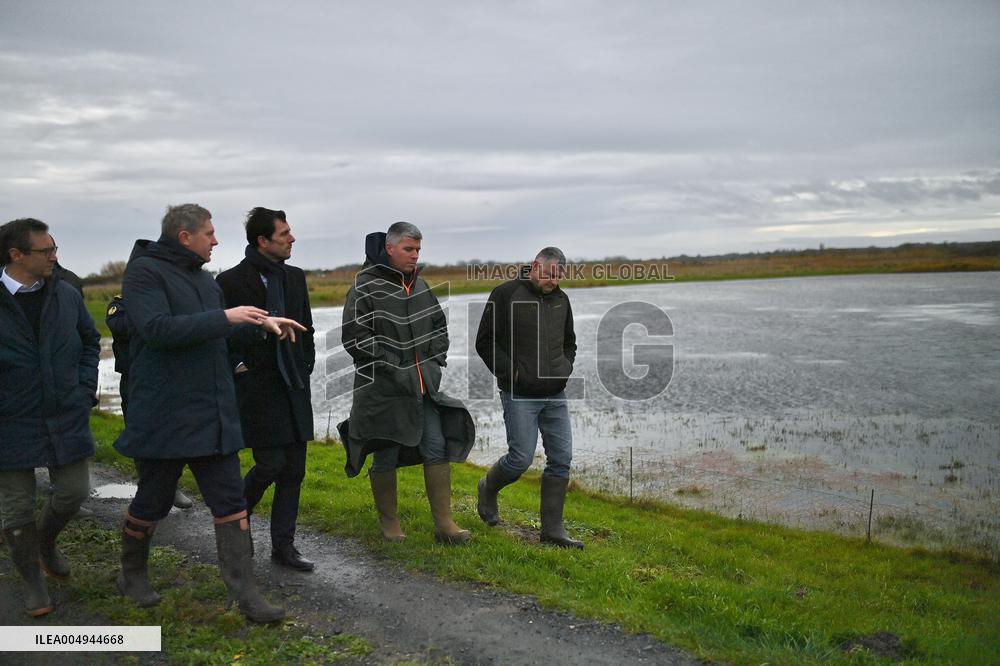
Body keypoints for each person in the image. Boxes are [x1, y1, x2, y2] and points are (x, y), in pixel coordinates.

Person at [113, 203, 304, 623]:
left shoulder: (204, 279)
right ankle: (132, 574)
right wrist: (225, 316)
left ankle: (247, 594)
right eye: (209, 233)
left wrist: (259, 323)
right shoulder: (144, 273)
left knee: (230, 500)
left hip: (212, 411)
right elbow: (159, 331)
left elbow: (216, 335)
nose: (216, 240)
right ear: (185, 236)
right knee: (154, 499)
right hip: (164, 411)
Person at [339, 222, 475, 544]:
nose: (415, 256)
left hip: (422, 388)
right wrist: (396, 368)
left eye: (418, 250)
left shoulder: (422, 285)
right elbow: (355, 338)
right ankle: (390, 525)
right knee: (385, 453)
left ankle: (445, 525)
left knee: (436, 446)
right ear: (390, 248)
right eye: (408, 250)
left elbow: (440, 327)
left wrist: (433, 363)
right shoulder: (364, 286)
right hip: (382, 391)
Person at [0, 218, 100, 616]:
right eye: (47, 251)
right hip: (9, 418)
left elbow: (90, 341)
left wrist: (84, 387)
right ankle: (32, 584)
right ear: (16, 255)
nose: (55, 258)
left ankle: (45, 543)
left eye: (55, 249)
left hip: (66, 412)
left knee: (74, 491)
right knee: (15, 506)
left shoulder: (66, 293)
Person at [216, 208, 316, 571]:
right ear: (262, 240)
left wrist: (305, 366)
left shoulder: (295, 277)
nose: (292, 239)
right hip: (257, 389)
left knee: (295, 470)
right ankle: (234, 530)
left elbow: (307, 328)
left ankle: (284, 548)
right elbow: (219, 334)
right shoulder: (229, 281)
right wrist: (239, 368)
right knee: (270, 464)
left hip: (294, 386)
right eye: (284, 233)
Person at [474, 247, 583, 549]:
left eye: (559, 276)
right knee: (520, 459)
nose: (554, 282)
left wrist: (565, 367)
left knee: (561, 459)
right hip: (519, 394)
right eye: (550, 275)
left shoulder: (561, 299)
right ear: (535, 266)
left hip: (556, 394)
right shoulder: (505, 293)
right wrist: (513, 374)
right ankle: (487, 487)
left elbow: (570, 342)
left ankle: (552, 530)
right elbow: (484, 342)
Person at [105, 294, 193, 509]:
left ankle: (171, 486)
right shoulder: (121, 302)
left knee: (173, 433)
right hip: (134, 379)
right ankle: (149, 487)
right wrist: (151, 313)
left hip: (168, 377)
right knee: (140, 435)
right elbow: (120, 326)